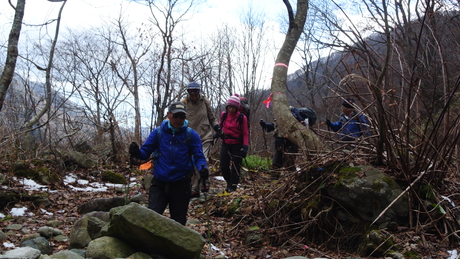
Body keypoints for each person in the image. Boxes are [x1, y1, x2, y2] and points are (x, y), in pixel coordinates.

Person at [129, 102, 209, 225]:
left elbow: (199, 156)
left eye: (182, 117)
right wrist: (136, 152)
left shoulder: (191, 135)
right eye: (176, 115)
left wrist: (203, 169)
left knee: (179, 222)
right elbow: (144, 153)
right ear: (169, 115)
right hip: (160, 183)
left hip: (181, 184)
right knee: (152, 218)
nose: (179, 119)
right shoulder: (158, 133)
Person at [183, 82, 222, 198]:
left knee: (202, 159)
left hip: (205, 136)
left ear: (199, 92)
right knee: (192, 161)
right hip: (190, 138)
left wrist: (218, 129)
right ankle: (202, 183)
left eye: (195, 92)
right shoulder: (184, 103)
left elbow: (212, 118)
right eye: (190, 92)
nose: (193, 95)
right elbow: (179, 119)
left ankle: (197, 187)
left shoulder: (205, 102)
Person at [259, 106, 313, 170]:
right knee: (278, 162)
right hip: (281, 141)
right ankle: (276, 175)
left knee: (288, 163)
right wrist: (265, 125)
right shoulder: (282, 118)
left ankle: (287, 176)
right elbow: (274, 126)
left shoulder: (294, 116)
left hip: (290, 143)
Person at [219, 95, 249, 192]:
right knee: (224, 165)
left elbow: (245, 133)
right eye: (229, 107)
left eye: (233, 107)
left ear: (237, 108)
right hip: (225, 143)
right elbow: (219, 126)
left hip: (237, 144)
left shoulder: (242, 117)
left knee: (236, 166)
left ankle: (233, 186)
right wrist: (216, 134)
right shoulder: (224, 115)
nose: (231, 109)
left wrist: (245, 147)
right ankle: (229, 182)